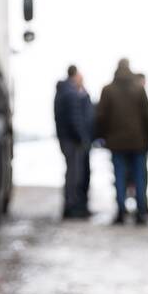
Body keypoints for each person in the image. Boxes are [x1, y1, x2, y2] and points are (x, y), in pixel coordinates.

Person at [96, 59, 148, 224]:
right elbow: (147, 116)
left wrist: (104, 136)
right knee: (139, 177)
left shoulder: (108, 90)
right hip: (137, 141)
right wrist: (146, 139)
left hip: (116, 142)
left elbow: (101, 116)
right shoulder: (139, 89)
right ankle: (141, 212)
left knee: (119, 176)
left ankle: (121, 211)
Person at [54, 65, 93, 219]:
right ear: (75, 75)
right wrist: (82, 138)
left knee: (72, 173)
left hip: (67, 138)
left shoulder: (64, 91)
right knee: (74, 175)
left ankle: (71, 206)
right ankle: (71, 207)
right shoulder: (70, 93)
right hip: (72, 141)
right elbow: (75, 119)